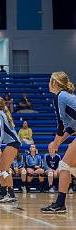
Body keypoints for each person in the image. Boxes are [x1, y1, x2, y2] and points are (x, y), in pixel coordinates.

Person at [41, 72, 76, 213]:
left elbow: (61, 125)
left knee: (65, 165)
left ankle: (60, 204)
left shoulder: (60, 96)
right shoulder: (67, 97)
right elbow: (71, 126)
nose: (48, 84)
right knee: (67, 166)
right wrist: (58, 142)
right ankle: (60, 203)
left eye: (50, 81)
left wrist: (55, 143)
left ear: (54, 83)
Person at [0, 96, 21, 203]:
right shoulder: (1, 113)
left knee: (3, 170)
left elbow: (0, 132)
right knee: (0, 169)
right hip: (11, 143)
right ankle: (3, 193)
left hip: (13, 143)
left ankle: (11, 195)